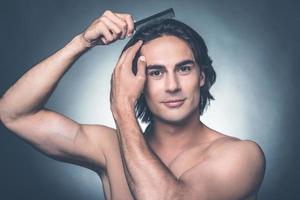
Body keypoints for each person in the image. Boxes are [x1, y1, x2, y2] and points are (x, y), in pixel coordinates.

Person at [0, 10, 266, 200]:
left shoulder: (241, 156)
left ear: (202, 77)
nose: (172, 85)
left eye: (184, 69)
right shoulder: (109, 148)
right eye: (156, 72)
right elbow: (14, 113)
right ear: (136, 80)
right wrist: (81, 43)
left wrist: (122, 108)